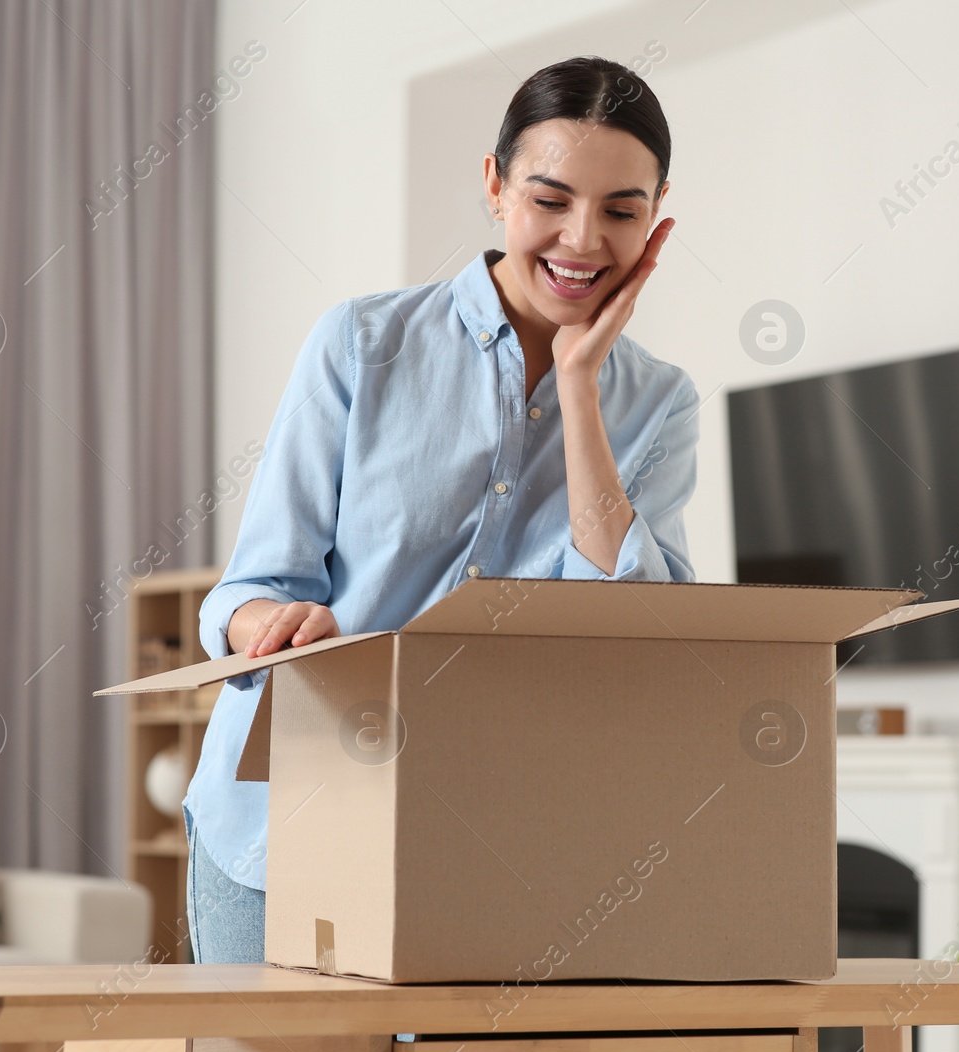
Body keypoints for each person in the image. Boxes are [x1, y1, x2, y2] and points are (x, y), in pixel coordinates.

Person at [181, 55, 700, 964]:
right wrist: (273, 622)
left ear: (656, 217)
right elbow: (243, 591)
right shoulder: (361, 344)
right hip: (291, 825)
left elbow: (631, 639)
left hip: (496, 839)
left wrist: (581, 391)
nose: (582, 241)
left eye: (621, 210)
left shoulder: (660, 402)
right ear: (495, 184)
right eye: (550, 199)